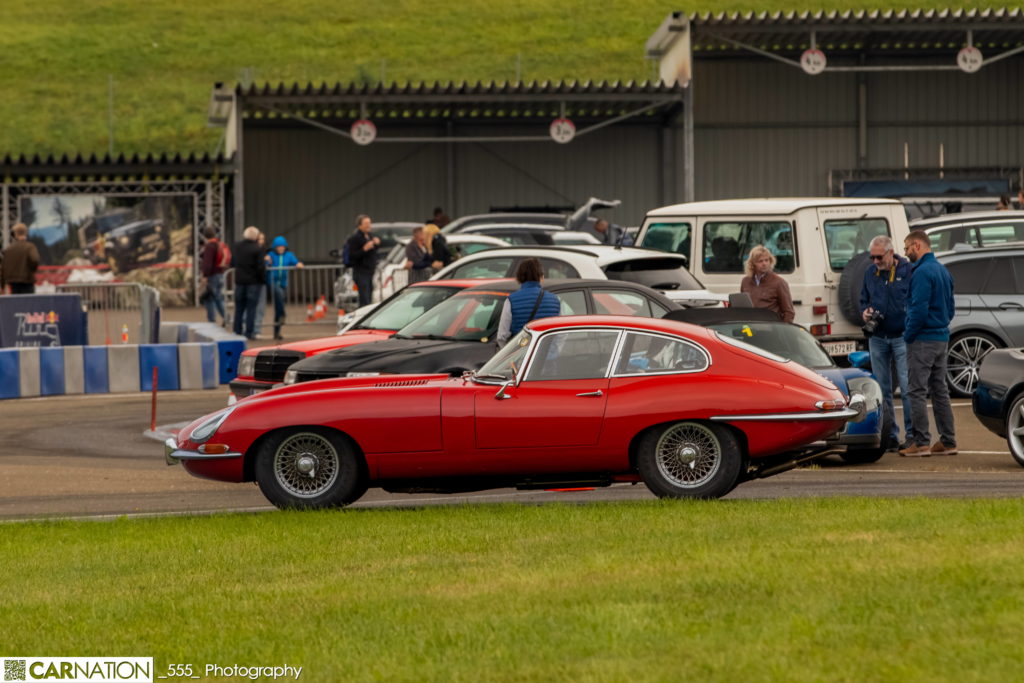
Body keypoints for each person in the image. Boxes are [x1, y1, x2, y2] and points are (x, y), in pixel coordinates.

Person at [899, 229, 957, 457]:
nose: (905, 254)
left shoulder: (922, 272)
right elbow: (951, 308)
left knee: (916, 390)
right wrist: (940, 324)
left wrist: (909, 334)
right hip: (941, 337)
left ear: (917, 246)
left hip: (923, 339)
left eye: (906, 248)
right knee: (940, 390)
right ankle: (949, 441)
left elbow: (918, 309)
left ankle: (921, 442)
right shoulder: (942, 271)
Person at [860, 235, 914, 451]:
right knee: (882, 389)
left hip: (901, 335)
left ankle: (912, 436)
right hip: (878, 337)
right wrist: (864, 313)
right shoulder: (869, 273)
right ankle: (889, 435)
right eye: (872, 257)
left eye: (879, 257)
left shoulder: (908, 271)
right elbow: (863, 300)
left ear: (891, 253)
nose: (875, 261)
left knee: (908, 387)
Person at [496, 258, 561, 345]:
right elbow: (560, 335)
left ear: (519, 277)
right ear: (541, 277)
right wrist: (554, 351)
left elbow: (502, 336)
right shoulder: (555, 300)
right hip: (548, 354)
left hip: (522, 354)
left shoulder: (511, 300)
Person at [739, 245, 794, 323]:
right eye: (760, 261)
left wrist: (782, 331)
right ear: (753, 263)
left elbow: (789, 312)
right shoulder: (745, 281)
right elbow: (742, 307)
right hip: (750, 327)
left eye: (766, 260)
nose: (764, 263)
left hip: (771, 328)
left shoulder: (779, 282)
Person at [232, 226, 267, 340]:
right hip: (253, 282)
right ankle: (249, 332)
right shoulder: (258, 248)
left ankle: (237, 330)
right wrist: (262, 280)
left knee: (239, 307)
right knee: (251, 308)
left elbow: (233, 262)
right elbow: (260, 267)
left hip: (240, 281)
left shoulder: (237, 246)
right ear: (256, 236)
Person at [266, 236, 304, 340]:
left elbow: (296, 262)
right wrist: (266, 261)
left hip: (283, 283)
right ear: (275, 247)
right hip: (273, 283)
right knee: (280, 300)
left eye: (282, 247)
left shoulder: (289, 255)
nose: (281, 248)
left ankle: (276, 332)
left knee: (278, 307)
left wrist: (299, 264)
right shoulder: (271, 255)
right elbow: (265, 263)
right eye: (278, 247)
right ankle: (283, 314)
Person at [346, 215, 381, 307]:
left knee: (369, 296)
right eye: (366, 223)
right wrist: (364, 249)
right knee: (364, 298)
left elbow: (372, 251)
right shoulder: (354, 238)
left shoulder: (369, 236)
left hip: (370, 271)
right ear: (359, 225)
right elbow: (352, 256)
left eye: (369, 223)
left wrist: (376, 244)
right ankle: (363, 318)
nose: (369, 225)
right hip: (361, 272)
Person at [198, 226, 227, 324]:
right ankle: (225, 318)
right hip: (220, 274)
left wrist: (205, 275)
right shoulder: (219, 244)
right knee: (218, 297)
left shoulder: (209, 246)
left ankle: (213, 320)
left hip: (212, 276)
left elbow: (207, 263)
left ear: (205, 235)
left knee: (209, 298)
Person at [1, 223, 40, 294]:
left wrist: (2, 285)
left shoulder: (8, 250)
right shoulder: (30, 247)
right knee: (29, 303)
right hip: (27, 281)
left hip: (13, 282)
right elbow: (35, 260)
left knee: (16, 303)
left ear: (15, 234)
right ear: (26, 233)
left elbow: (3, 268)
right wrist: (32, 270)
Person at [252, 231, 269, 338]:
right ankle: (250, 328)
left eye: (262, 239)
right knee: (251, 307)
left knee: (260, 307)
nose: (261, 241)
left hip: (261, 282)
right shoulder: (252, 251)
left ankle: (257, 329)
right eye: (259, 239)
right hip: (252, 282)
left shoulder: (265, 251)